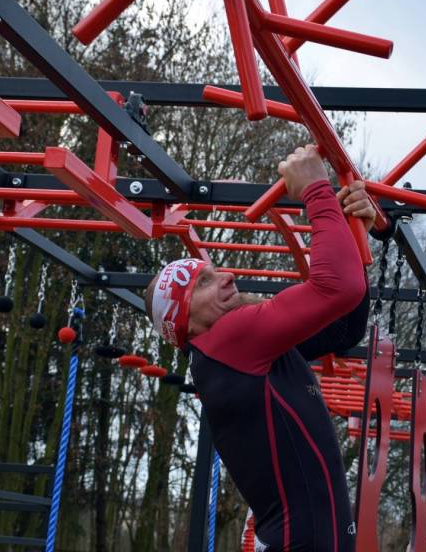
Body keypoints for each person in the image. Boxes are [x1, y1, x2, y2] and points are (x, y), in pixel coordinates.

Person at [144, 145, 376, 551]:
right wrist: (316, 191)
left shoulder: (242, 355)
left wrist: (353, 234)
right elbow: (337, 288)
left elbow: (344, 329)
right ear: (185, 323)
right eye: (204, 283)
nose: (227, 277)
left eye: (214, 271)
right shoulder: (227, 341)